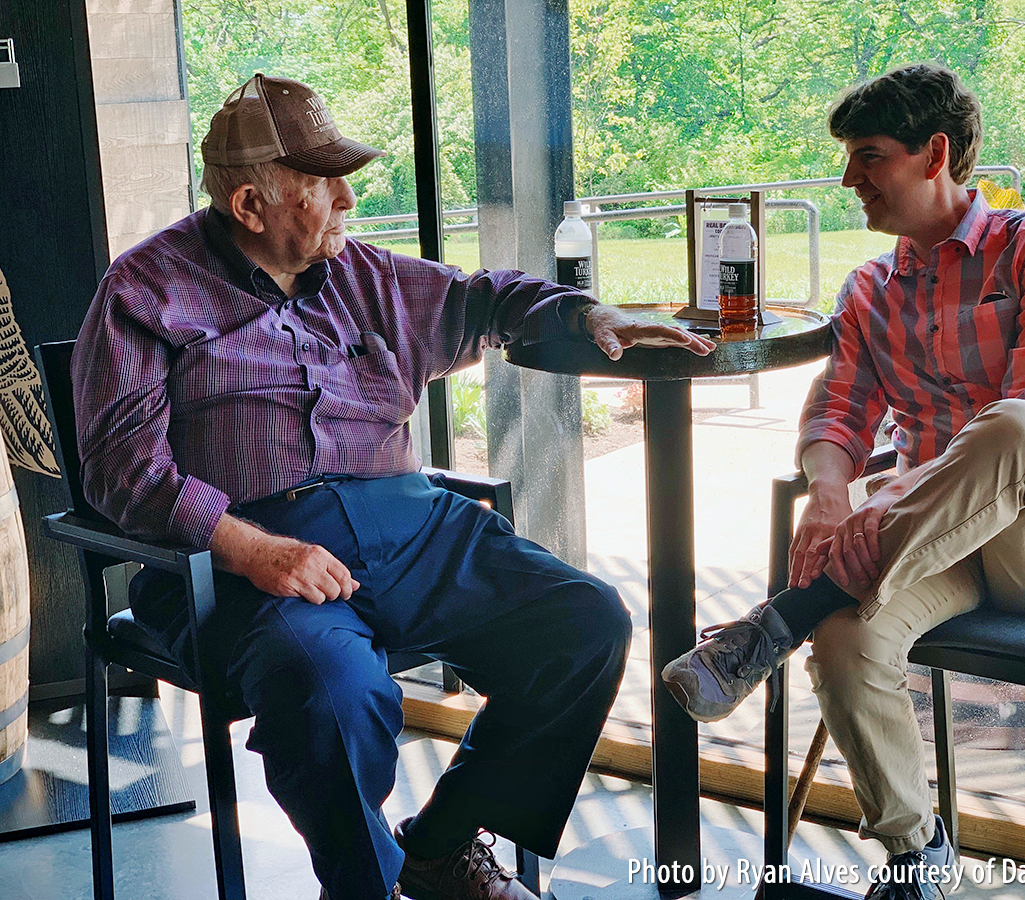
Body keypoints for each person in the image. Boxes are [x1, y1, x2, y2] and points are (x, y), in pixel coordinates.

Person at [74, 73, 714, 900]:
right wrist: (251, 549)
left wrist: (585, 315)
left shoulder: (369, 277)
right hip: (238, 561)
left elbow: (490, 299)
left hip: (407, 532)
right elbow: (119, 471)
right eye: (321, 182)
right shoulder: (144, 291)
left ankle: (441, 849)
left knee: (582, 622)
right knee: (331, 691)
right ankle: (364, 887)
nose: (347, 196)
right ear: (249, 205)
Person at [662, 63, 1025, 900]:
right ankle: (918, 856)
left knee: (1014, 424)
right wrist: (833, 493)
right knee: (849, 641)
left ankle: (781, 618)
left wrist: (885, 498)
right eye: (849, 158)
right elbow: (839, 413)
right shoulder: (871, 290)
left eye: (869, 156)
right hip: (944, 538)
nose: (850, 178)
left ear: (936, 155)